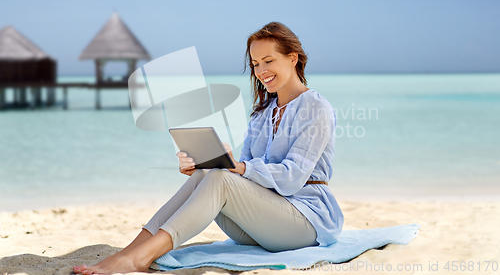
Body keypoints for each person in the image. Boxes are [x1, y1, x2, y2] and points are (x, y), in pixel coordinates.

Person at [73, 21, 344, 275]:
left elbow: (293, 175)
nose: (261, 71)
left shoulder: (314, 107)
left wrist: (237, 168)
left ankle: (141, 257)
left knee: (221, 177)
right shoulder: (263, 113)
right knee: (209, 174)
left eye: (268, 61)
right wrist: (206, 167)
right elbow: (246, 174)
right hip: (264, 224)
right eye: (255, 63)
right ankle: (130, 251)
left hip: (307, 221)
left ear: (292, 58)